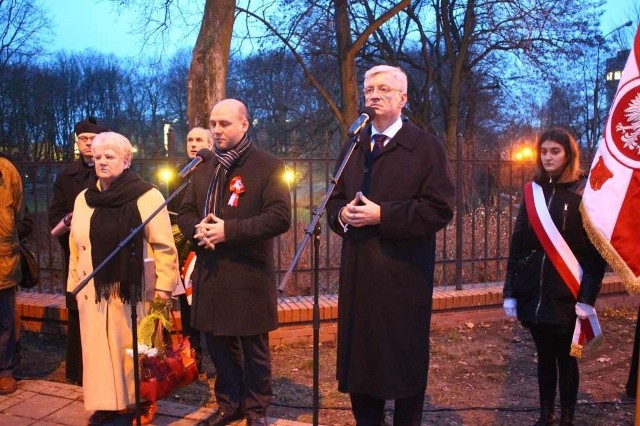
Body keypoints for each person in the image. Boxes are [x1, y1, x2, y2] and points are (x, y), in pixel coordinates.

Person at [326, 65, 456, 426]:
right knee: (361, 366)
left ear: (403, 98)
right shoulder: (354, 144)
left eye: (384, 89)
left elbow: (439, 208)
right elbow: (333, 201)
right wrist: (343, 217)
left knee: (402, 368)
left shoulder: (426, 147)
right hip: (359, 275)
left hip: (403, 277)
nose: (374, 95)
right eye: (368, 89)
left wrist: (384, 215)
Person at [177, 99, 291, 426]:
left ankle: (256, 410)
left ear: (244, 124)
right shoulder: (205, 167)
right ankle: (230, 403)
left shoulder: (269, 165)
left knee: (253, 347)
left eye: (224, 123)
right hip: (211, 272)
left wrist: (229, 231)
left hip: (248, 272)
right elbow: (185, 212)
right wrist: (196, 229)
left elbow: (279, 217)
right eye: (213, 123)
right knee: (217, 343)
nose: (216, 130)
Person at [67, 132, 179, 425]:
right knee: (97, 351)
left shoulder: (146, 195)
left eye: (110, 156)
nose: (101, 161)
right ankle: (106, 403)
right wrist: (73, 287)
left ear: (126, 160)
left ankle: (137, 401)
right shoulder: (83, 199)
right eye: (98, 156)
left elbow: (165, 246)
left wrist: (164, 291)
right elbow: (75, 248)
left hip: (131, 288)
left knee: (129, 349)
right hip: (92, 289)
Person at [503, 128, 606, 426]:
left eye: (555, 151)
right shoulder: (532, 191)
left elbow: (594, 254)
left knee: (566, 359)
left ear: (568, 154)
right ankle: (545, 417)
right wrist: (510, 291)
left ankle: (567, 420)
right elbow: (518, 243)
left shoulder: (584, 193)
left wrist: (587, 298)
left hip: (568, 295)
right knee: (544, 358)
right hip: (534, 296)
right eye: (544, 151)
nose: (548, 157)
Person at [48, 116, 109, 385]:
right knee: (77, 309)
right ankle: (79, 372)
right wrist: (71, 225)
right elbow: (55, 216)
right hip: (76, 252)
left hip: (107, 251)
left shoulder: (109, 169)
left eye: (93, 139)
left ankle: (105, 369)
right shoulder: (66, 176)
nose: (88, 144)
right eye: (83, 139)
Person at [168, 126, 214, 368]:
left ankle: (215, 355)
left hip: (208, 245)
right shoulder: (178, 174)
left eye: (199, 140)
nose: (193, 144)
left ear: (210, 144)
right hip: (184, 246)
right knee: (188, 306)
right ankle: (193, 357)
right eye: (190, 140)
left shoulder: (217, 171)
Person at [0, 153, 25, 395]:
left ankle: (5, 371)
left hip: (3, 259)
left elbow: (18, 213)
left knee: (5, 319)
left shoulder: (7, 171)